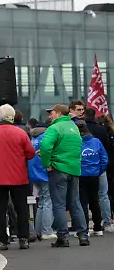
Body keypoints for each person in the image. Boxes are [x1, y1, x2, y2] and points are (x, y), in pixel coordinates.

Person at [0, 104, 36, 250]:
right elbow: (30, 153)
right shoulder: (21, 133)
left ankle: (1, 240)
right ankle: (23, 238)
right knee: (21, 208)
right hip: (18, 176)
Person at [40, 104, 88, 247]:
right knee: (75, 202)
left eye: (52, 113)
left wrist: (46, 162)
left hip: (58, 168)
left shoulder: (54, 128)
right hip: (73, 168)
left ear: (59, 113)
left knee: (59, 204)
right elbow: (74, 147)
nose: (50, 116)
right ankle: (83, 235)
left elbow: (45, 145)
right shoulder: (74, 128)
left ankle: (63, 237)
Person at [76, 120, 109, 238]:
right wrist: (99, 171)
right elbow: (104, 158)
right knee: (94, 201)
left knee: (83, 202)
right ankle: (98, 227)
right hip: (94, 175)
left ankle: (84, 229)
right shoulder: (96, 141)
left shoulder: (76, 143)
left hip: (81, 175)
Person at [84, 108, 113, 232]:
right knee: (103, 195)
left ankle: (84, 226)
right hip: (99, 167)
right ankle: (106, 222)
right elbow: (106, 150)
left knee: (84, 197)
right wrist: (101, 168)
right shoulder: (102, 130)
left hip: (84, 169)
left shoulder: (79, 131)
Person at [29, 128, 55, 240]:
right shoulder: (45, 138)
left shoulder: (33, 139)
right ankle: (47, 231)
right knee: (48, 202)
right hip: (44, 172)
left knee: (41, 203)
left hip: (34, 173)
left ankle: (38, 230)